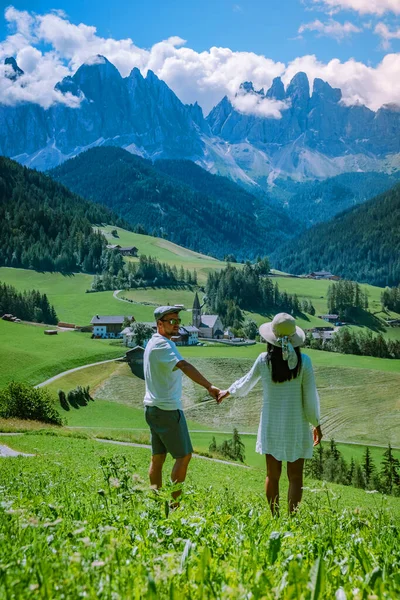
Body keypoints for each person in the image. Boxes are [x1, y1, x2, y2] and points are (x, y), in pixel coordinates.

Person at [218, 313, 322, 515]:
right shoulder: (305, 362)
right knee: (295, 477)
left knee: (272, 475)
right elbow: (310, 398)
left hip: (271, 424)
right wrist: (316, 424)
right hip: (296, 425)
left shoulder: (264, 360)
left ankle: (274, 517)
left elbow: (246, 383)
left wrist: (228, 391)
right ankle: (293, 519)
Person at [144, 305, 220, 503]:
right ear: (159, 324)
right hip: (167, 410)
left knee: (158, 458)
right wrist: (209, 387)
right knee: (184, 456)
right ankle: (174, 506)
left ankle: (156, 502)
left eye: (178, 321)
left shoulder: (153, 342)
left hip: (153, 408)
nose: (177, 325)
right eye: (172, 321)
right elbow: (184, 365)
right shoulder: (163, 345)